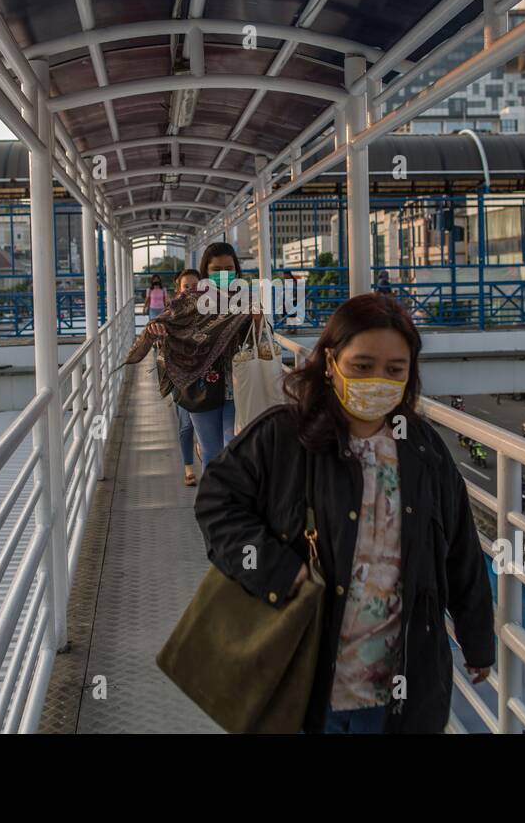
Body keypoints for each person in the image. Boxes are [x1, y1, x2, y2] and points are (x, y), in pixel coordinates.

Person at [194, 294, 493, 734]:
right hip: (305, 680)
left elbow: (461, 550)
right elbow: (217, 500)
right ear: (331, 361)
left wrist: (477, 640)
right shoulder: (283, 436)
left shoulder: (424, 450)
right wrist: (277, 571)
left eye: (395, 370)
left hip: (398, 686)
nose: (378, 381)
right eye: (362, 365)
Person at [131, 242, 249, 463]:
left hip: (238, 386)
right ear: (205, 271)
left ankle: (229, 496)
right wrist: (153, 328)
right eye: (217, 269)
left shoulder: (247, 299)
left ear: (236, 269)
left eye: (228, 268)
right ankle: (211, 496)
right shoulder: (189, 300)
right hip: (200, 386)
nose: (223, 274)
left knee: (233, 451)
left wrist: (259, 318)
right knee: (210, 453)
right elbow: (163, 321)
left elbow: (262, 335)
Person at [170, 270, 202, 486]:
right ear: (178, 290)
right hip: (181, 375)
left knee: (205, 422)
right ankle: (188, 468)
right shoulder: (171, 313)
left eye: (195, 285)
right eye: (186, 286)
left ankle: (206, 456)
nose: (191, 290)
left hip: (207, 374)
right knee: (186, 424)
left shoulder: (212, 309)